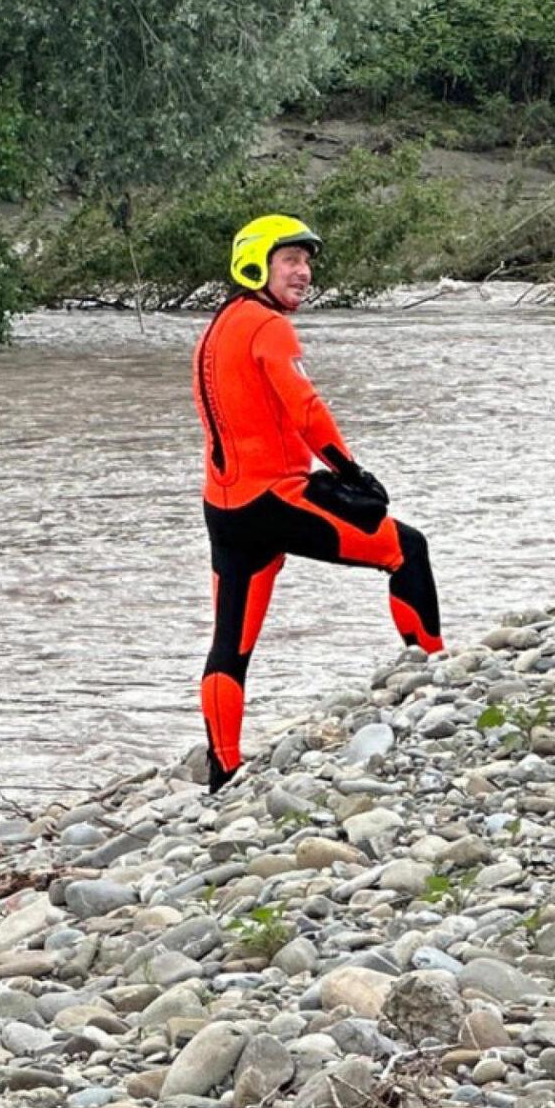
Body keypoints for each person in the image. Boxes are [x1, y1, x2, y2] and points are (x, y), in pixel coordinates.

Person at [192, 215, 441, 792]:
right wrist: (351, 470)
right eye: (291, 261)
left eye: (307, 262)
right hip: (277, 500)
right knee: (407, 548)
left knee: (231, 643)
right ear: (257, 262)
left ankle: (223, 769)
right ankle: (436, 679)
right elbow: (304, 407)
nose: (303, 273)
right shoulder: (268, 327)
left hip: (225, 510)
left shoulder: (216, 328)